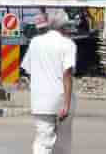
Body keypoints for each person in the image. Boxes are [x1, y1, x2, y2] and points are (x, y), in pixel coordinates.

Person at [22, 10, 76, 154]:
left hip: (39, 100)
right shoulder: (68, 44)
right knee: (63, 141)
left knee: (42, 141)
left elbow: (28, 69)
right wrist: (67, 104)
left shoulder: (35, 42)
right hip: (60, 99)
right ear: (64, 27)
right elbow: (67, 74)